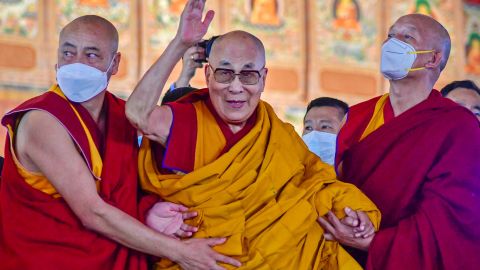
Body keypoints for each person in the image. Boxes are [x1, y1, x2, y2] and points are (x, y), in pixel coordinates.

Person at [126, 0, 380, 269]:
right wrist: (180, 43)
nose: (236, 87)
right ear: (208, 74)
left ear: (263, 78)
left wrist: (354, 214)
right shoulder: (188, 121)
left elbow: (316, 186)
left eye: (248, 75)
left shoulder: (277, 134)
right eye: (225, 73)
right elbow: (138, 114)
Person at [0, 13, 241, 270]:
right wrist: (181, 252)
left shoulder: (118, 114)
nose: (77, 64)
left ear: (114, 63)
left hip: (113, 253)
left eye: (91, 55)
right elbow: (92, 212)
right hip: (47, 259)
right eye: (68, 54)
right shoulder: (42, 120)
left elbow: (134, 181)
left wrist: (147, 210)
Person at [321, 13, 480, 269]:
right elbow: (334, 185)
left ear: (434, 58)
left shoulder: (458, 125)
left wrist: (375, 243)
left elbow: (449, 219)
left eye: (407, 37)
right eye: (390, 36)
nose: (392, 43)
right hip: (345, 256)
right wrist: (347, 218)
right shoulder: (357, 116)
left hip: (405, 257)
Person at [302, 97, 349, 165]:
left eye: (325, 126)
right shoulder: (291, 173)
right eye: (308, 127)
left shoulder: (359, 173)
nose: (314, 134)